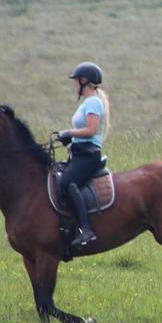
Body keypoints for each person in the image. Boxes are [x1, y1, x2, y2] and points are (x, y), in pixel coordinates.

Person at [56, 61, 111, 251]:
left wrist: (69, 133)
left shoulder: (94, 102)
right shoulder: (88, 102)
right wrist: (68, 140)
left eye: (76, 81)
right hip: (79, 153)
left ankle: (86, 229)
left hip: (88, 156)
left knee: (66, 183)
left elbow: (90, 130)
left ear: (84, 81)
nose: (74, 85)